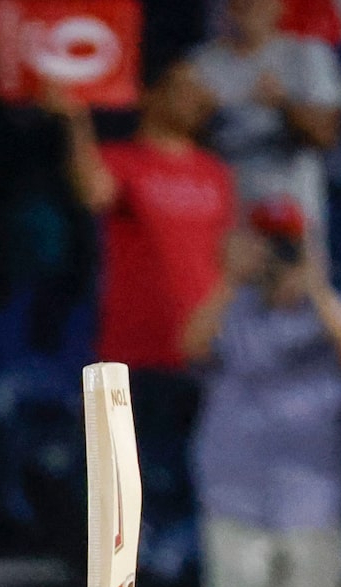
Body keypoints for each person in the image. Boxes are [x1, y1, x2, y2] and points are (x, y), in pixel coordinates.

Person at [187, 202, 341, 587]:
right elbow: (191, 347)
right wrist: (231, 279)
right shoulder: (233, 307)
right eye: (270, 243)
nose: (279, 254)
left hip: (310, 495)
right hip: (234, 491)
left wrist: (316, 286)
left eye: (288, 243)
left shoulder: (334, 308)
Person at [50, 62, 234, 505]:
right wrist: (74, 119)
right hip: (132, 353)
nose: (194, 100)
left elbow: (229, 258)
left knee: (196, 488)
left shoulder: (216, 173)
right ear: (151, 96)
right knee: (122, 494)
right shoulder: (123, 160)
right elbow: (92, 190)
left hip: (202, 355)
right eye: (182, 88)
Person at [189, 0, 341, 231]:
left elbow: (326, 136)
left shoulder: (306, 54)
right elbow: (172, 138)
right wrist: (207, 111)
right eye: (240, 4)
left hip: (292, 206)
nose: (248, 8)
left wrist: (283, 104)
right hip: (225, 210)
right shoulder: (201, 62)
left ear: (279, 7)